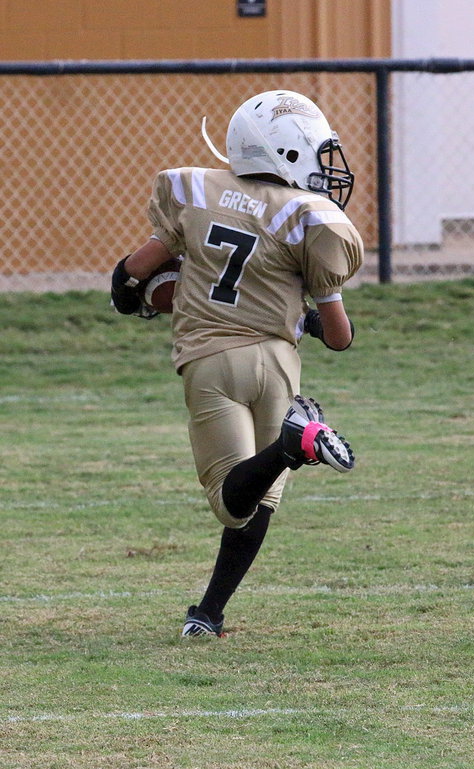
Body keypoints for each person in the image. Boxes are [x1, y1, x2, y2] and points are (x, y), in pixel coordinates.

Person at [111, 89, 364, 637]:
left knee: (232, 502)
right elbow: (340, 338)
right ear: (285, 153)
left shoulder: (199, 190)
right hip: (277, 361)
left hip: (212, 358)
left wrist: (134, 292)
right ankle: (209, 614)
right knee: (260, 498)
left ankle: (289, 445)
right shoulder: (308, 217)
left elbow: (134, 269)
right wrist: (316, 321)